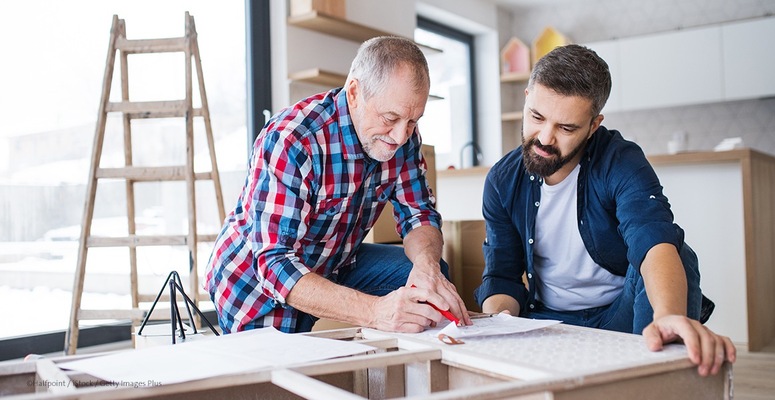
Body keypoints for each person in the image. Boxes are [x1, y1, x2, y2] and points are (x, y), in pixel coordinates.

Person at [474, 44, 736, 376]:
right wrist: (499, 326)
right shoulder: (501, 180)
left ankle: (660, 367)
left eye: (566, 128)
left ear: (593, 125)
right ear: (527, 98)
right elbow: (502, 276)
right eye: (536, 116)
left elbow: (653, 241)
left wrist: (668, 316)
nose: (544, 137)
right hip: (546, 321)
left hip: (618, 316)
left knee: (681, 253)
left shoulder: (621, 160)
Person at [205, 36, 470, 335]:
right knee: (284, 376)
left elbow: (419, 215)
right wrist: (374, 311)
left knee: (430, 283)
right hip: (255, 286)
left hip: (335, 261)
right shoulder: (293, 139)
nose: (400, 136)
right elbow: (275, 264)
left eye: (412, 121)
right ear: (355, 93)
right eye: (391, 118)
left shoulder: (404, 136)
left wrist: (427, 266)